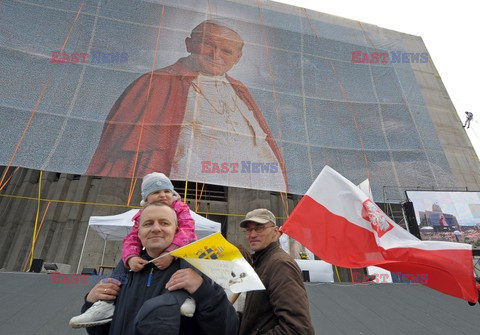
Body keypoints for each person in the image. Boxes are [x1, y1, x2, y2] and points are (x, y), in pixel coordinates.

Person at [86, 20, 287, 191]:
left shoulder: (240, 90)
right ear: (189, 44)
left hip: (245, 190)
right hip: (182, 189)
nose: (216, 55)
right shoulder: (156, 83)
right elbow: (130, 152)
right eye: (208, 44)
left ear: (238, 57)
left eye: (226, 51)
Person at [74, 202, 238, 335]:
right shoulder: (125, 270)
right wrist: (91, 301)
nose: (156, 228)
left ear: (176, 230)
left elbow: (227, 328)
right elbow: (99, 331)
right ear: (138, 232)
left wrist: (203, 290)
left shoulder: (197, 269)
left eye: (164, 223)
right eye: (148, 223)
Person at [70, 172, 197, 328]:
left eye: (167, 191)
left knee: (191, 259)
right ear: (146, 199)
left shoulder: (181, 208)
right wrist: (130, 257)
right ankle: (106, 303)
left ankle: (188, 296)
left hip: (182, 249)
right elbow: (132, 238)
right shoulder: (140, 215)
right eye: (156, 192)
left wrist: (171, 251)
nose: (163, 195)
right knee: (123, 261)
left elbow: (187, 230)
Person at [238, 209, 315, 334]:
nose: (252, 235)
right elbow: (259, 318)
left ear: (275, 232)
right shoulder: (261, 263)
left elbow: (298, 328)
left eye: (259, 228)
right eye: (248, 230)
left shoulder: (280, 265)